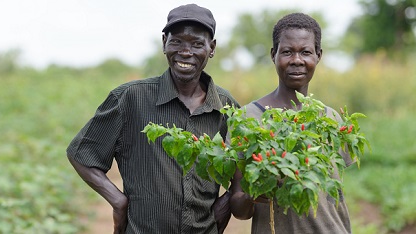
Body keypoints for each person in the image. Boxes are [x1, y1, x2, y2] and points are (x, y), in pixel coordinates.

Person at [67, 3, 240, 234]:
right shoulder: (130, 98)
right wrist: (118, 201)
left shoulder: (227, 108)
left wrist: (225, 204)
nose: (186, 52)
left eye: (197, 44)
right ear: (164, 43)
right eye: (176, 41)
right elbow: (81, 154)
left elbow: (244, 169)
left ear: (212, 48)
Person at [229, 13, 353, 233]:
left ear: (318, 56)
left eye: (306, 52)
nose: (297, 60)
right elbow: (239, 209)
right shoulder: (248, 119)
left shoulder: (331, 119)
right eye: (287, 52)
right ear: (273, 55)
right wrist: (258, 190)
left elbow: (333, 198)